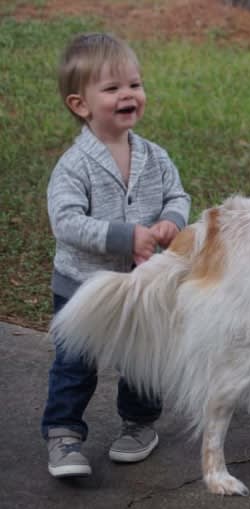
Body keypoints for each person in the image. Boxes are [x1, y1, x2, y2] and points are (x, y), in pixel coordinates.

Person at [42, 32, 191, 478]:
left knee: (142, 358)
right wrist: (125, 236)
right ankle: (64, 433)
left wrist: (170, 221)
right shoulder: (75, 165)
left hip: (139, 285)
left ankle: (139, 425)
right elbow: (65, 222)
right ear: (80, 105)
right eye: (112, 89)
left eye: (135, 84)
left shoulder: (154, 156)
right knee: (75, 363)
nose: (128, 94)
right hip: (83, 289)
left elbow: (177, 196)